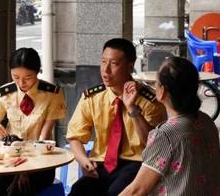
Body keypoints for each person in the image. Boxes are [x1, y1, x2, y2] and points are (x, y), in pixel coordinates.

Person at [67, 38, 167, 196]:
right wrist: (83, 160)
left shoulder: (150, 100)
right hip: (102, 164)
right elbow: (75, 137)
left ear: (129, 67)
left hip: (137, 163)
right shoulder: (92, 97)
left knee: (116, 192)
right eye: (103, 62)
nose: (105, 70)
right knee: (79, 191)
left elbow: (153, 144)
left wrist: (132, 108)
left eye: (114, 64)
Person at [119, 57, 220, 196]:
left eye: (156, 83)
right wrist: (132, 108)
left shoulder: (166, 134)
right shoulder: (206, 121)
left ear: (162, 91)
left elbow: (136, 191)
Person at [0, 48, 66, 195]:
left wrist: (25, 171)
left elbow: (44, 137)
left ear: (37, 72)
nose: (21, 82)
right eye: (15, 76)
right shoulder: (5, 93)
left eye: (28, 77)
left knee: (19, 190)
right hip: (9, 159)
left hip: (40, 161)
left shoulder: (52, 93)